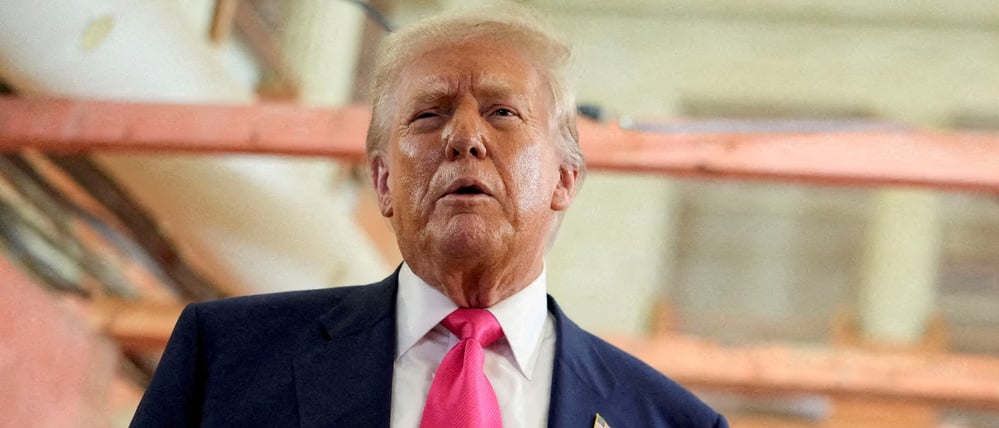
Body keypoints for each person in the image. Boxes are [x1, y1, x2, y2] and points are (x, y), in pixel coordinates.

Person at [130, 5, 727, 428]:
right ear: (384, 181)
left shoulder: (668, 420)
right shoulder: (226, 360)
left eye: (502, 112)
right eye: (428, 114)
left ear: (564, 179)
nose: (464, 137)